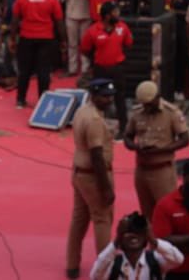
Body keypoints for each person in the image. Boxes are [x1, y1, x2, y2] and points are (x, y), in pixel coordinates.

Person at [68, 79, 119, 280]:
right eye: (105, 96)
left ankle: (72, 265)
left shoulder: (83, 111)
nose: (109, 100)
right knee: (102, 219)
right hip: (93, 176)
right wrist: (106, 188)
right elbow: (97, 156)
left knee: (78, 220)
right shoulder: (95, 121)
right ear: (94, 95)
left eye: (111, 96)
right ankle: (105, 269)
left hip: (79, 173)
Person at [123, 80, 189, 222]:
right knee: (147, 214)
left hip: (163, 170)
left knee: (168, 211)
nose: (146, 108)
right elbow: (127, 137)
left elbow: (185, 140)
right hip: (141, 169)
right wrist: (135, 147)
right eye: (144, 104)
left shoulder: (171, 113)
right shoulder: (137, 113)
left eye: (149, 104)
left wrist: (163, 150)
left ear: (157, 97)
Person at [13, 0, 64, 109]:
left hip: (26, 37)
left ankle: (20, 100)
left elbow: (15, 20)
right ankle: (43, 100)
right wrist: (63, 40)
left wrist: (12, 38)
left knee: (25, 70)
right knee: (44, 71)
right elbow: (59, 22)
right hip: (46, 38)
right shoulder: (52, 0)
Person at [90, 210, 184, 280]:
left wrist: (153, 240)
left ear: (145, 236)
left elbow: (178, 259)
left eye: (138, 232)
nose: (133, 235)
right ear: (121, 236)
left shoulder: (154, 260)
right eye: (128, 231)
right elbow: (95, 275)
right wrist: (116, 241)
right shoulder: (114, 264)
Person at [82, 1, 135, 126]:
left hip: (118, 68)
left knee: (120, 98)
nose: (118, 14)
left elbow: (129, 44)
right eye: (115, 12)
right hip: (100, 69)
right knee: (99, 98)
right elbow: (85, 49)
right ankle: (98, 125)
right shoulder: (93, 30)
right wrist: (95, 59)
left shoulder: (123, 27)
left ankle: (123, 128)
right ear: (107, 16)